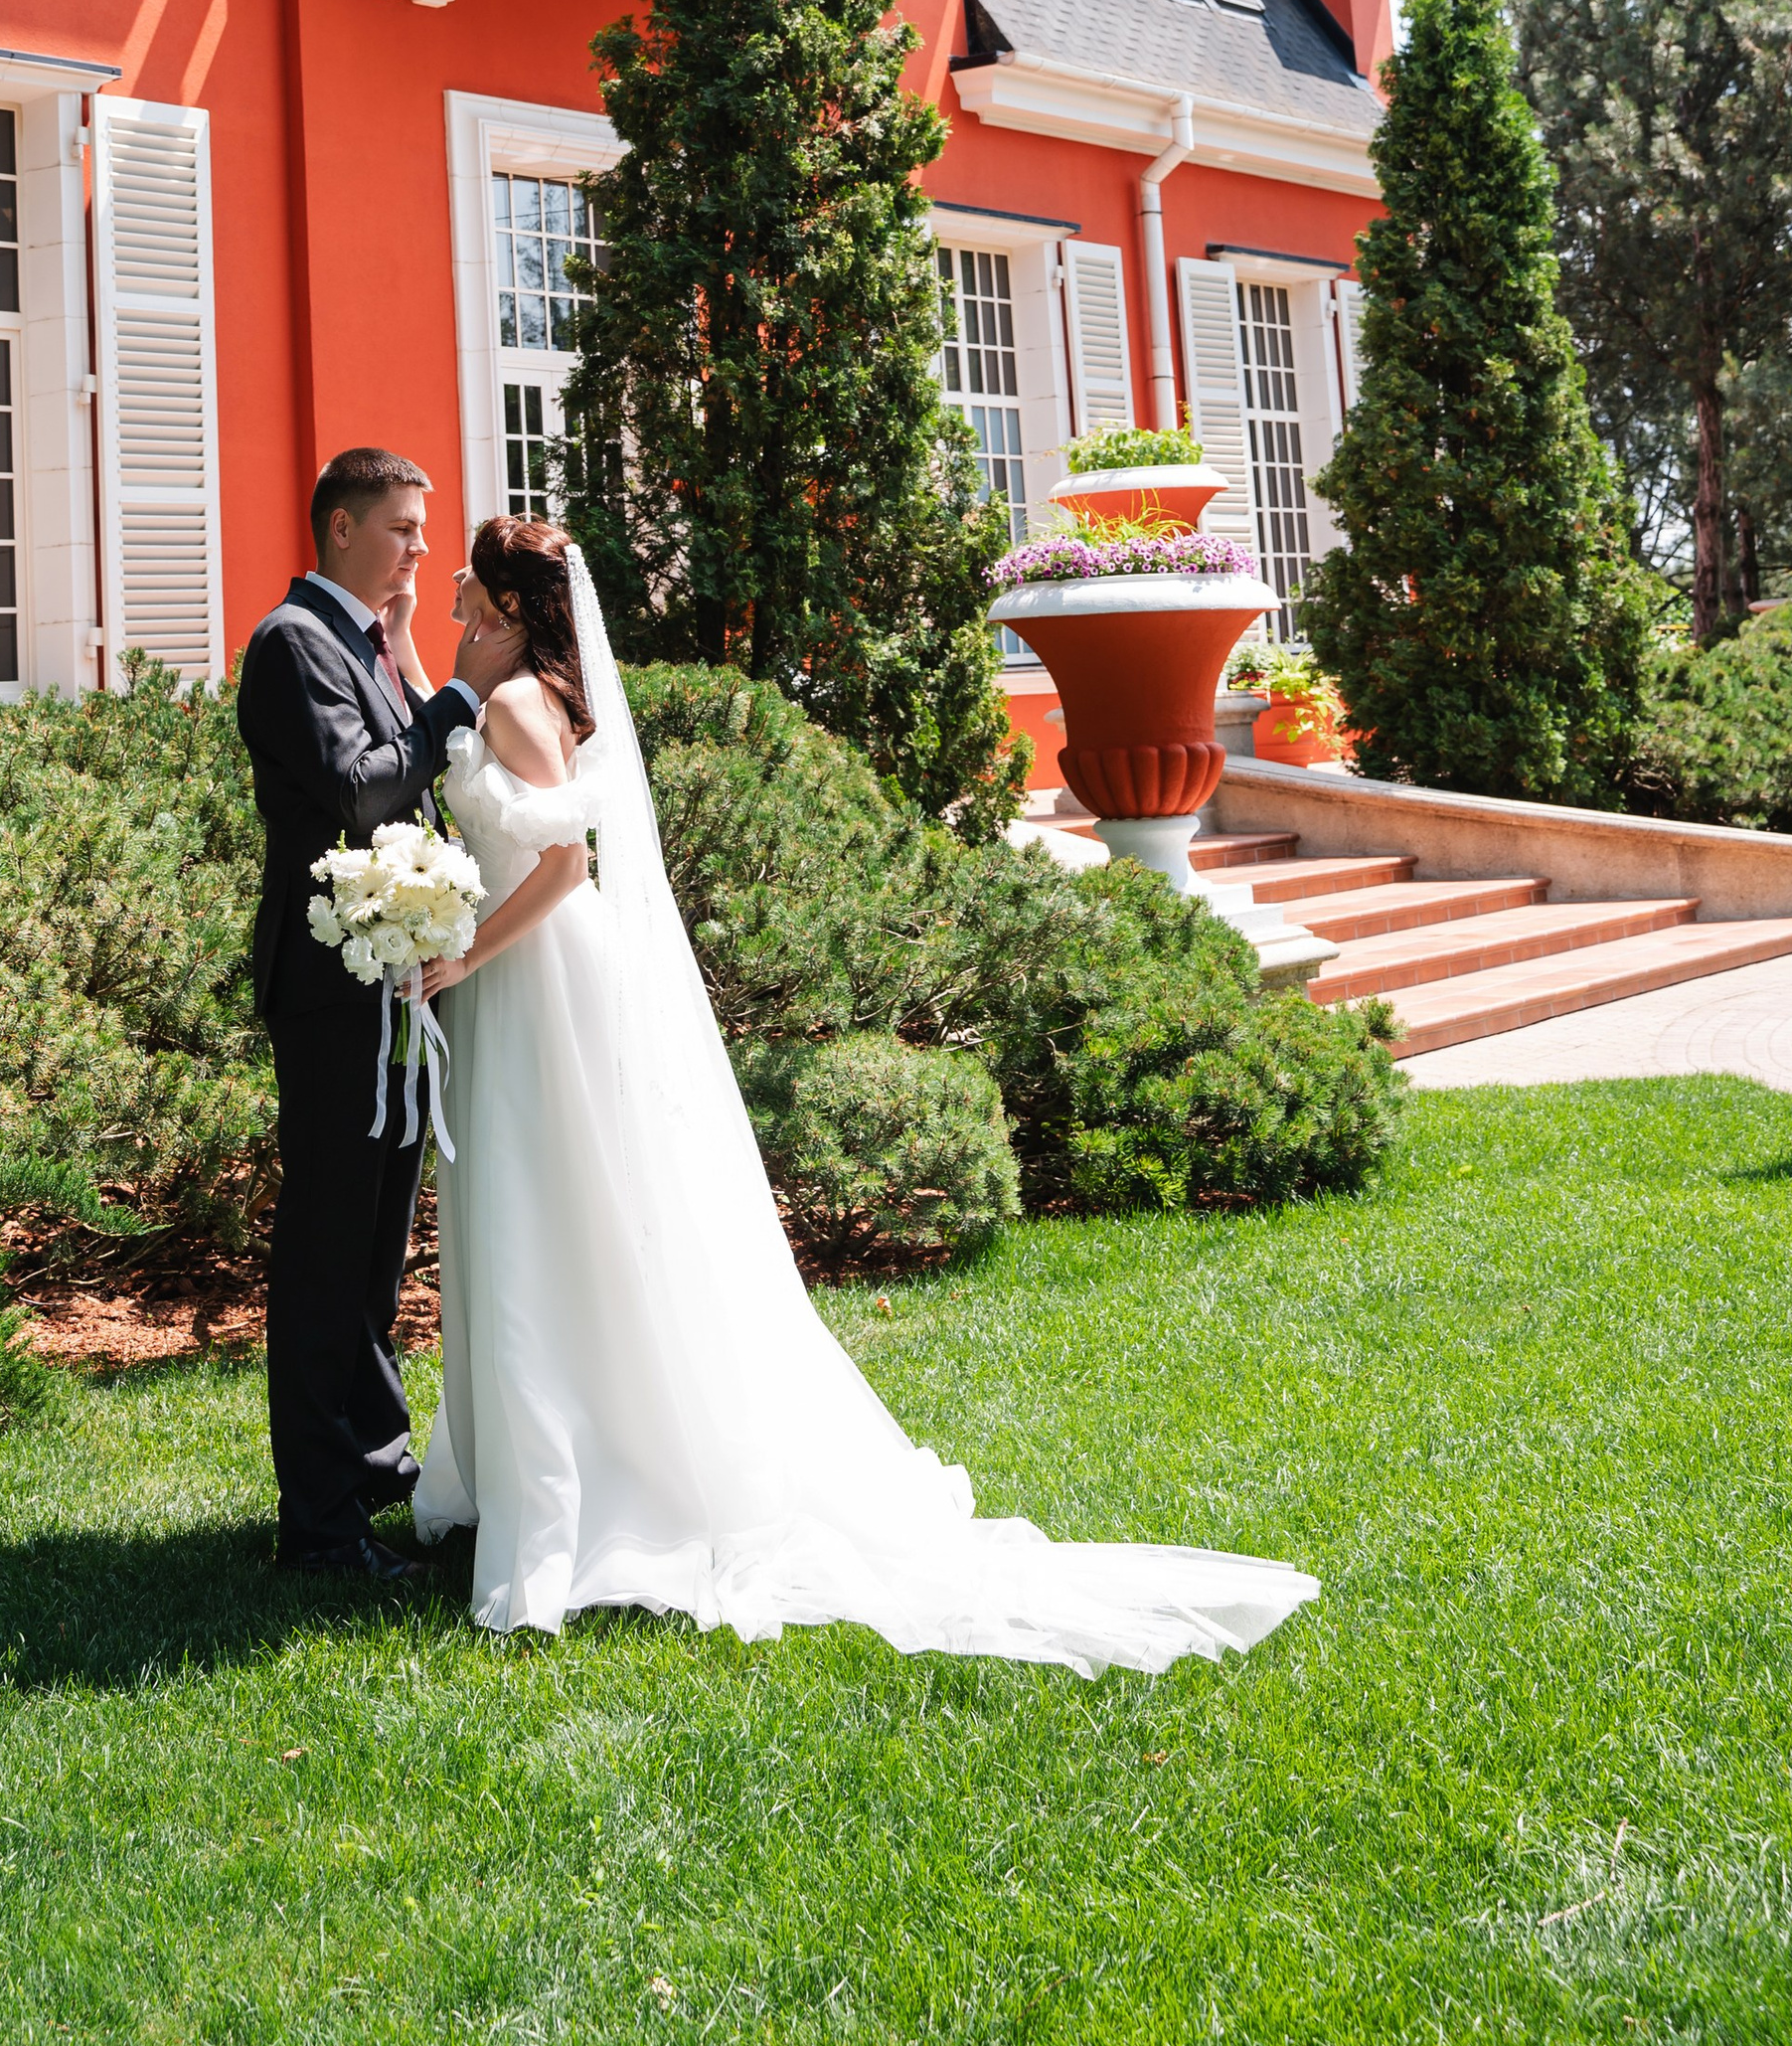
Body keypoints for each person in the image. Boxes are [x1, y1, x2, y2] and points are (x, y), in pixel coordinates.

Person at [407, 516, 1323, 1673]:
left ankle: (583, 1475)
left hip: (534, 972)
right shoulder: (516, 691)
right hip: (521, 973)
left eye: (465, 576)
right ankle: (546, 1453)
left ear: (502, 603)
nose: (447, 583)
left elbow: (563, 865)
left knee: (551, 1201)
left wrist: (466, 954)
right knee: (543, 1199)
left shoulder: (511, 706)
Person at [234, 447, 502, 1581]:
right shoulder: (292, 642)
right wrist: (455, 699)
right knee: (327, 1255)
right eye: (400, 527)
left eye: (422, 529)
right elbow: (358, 788)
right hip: (330, 995)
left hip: (388, 983)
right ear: (340, 528)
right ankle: (320, 1528)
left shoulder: (367, 642)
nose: (420, 549)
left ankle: (377, 1465)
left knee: (378, 1249)